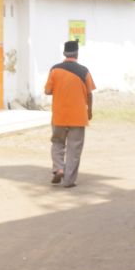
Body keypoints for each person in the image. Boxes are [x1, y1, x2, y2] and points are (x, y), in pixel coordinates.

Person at [45, 39, 96, 188]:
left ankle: (59, 168)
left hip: (59, 116)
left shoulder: (54, 70)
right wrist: (90, 111)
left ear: (64, 53)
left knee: (57, 143)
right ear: (77, 54)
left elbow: (47, 91)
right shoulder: (84, 71)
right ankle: (69, 181)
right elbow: (90, 94)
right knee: (74, 148)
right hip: (78, 117)